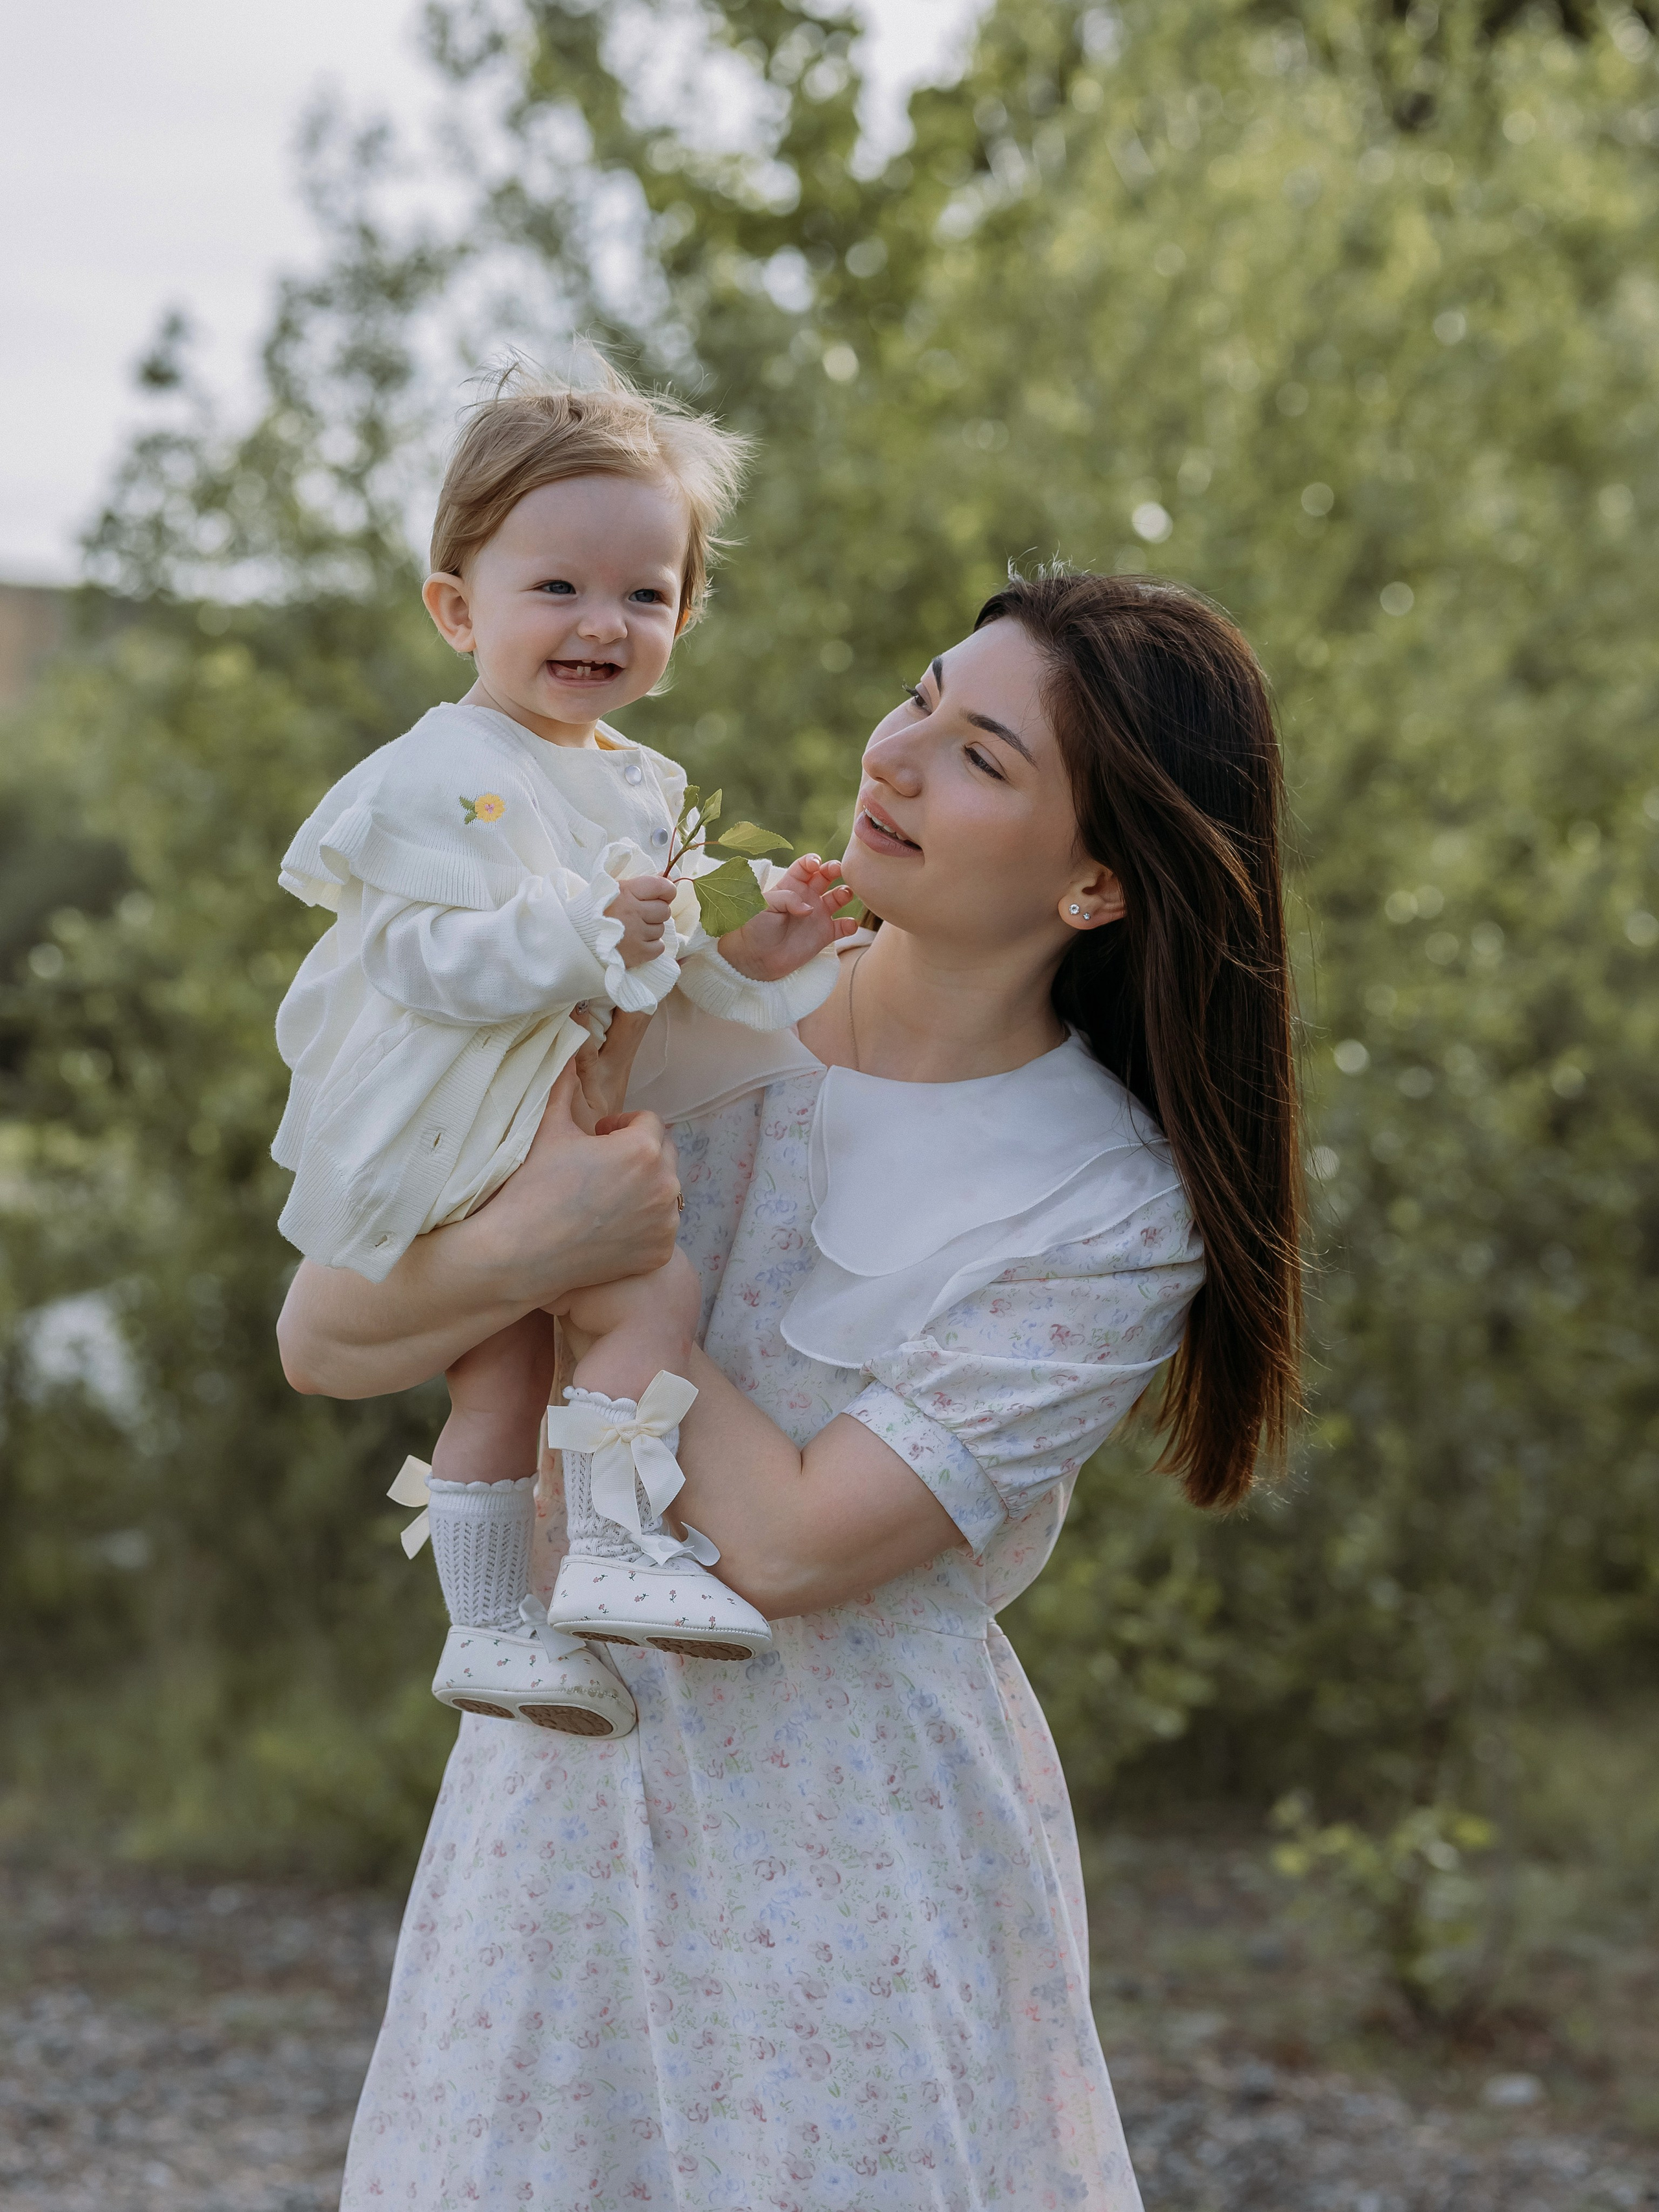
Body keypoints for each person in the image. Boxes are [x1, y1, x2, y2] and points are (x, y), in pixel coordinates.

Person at [279, 570, 1303, 2209]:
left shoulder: (1107, 1210)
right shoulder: (673, 1000)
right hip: (562, 1800)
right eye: (917, 697)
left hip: (849, 1860)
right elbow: (327, 1338)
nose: (892, 758)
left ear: (1101, 881)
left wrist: (609, 1271)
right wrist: (531, 1238)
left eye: (980, 757)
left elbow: (794, 1550)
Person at [272, 367, 855, 1738]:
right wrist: (579, 924)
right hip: (458, 1110)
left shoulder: (643, 785)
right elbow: (414, 959)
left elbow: (661, 972)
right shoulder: (441, 772)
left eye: (643, 595)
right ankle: (615, 1543)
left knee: (504, 1371)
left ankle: (489, 1628)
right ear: (456, 608)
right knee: (651, 1287)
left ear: (683, 616)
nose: (602, 623)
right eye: (557, 590)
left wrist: (757, 948)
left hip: (547, 1101)